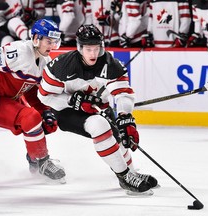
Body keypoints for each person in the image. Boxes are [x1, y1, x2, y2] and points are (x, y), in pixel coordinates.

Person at [37, 24, 159, 195]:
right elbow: (44, 97)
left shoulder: (110, 64)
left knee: (119, 137)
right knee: (100, 125)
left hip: (98, 107)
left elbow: (123, 93)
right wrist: (73, 101)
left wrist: (125, 116)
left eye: (96, 49)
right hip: (66, 111)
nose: (93, 54)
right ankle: (124, 177)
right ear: (80, 48)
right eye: (88, 49)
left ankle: (131, 173)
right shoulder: (62, 67)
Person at [0, 19, 66, 183]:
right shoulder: (20, 51)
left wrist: (44, 110)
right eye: (48, 41)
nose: (51, 45)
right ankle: (41, 161)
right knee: (30, 118)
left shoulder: (44, 63)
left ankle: (35, 160)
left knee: (40, 121)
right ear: (36, 39)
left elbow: (30, 90)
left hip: (5, 99)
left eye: (54, 41)